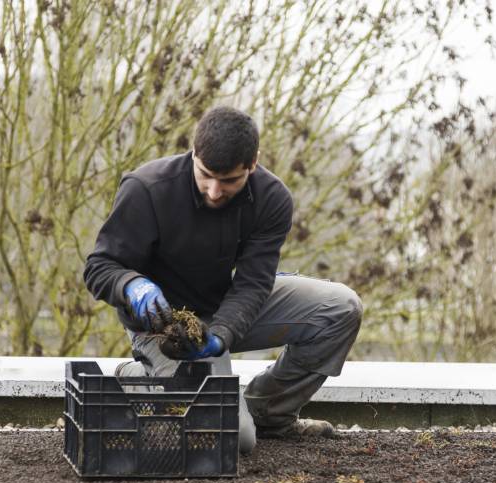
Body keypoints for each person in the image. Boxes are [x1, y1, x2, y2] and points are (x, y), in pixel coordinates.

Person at [83, 106, 362, 454]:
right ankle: (139, 378)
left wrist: (220, 336)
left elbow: (253, 283)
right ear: (193, 153)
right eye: (206, 176)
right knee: (235, 440)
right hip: (165, 327)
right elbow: (99, 266)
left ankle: (268, 413)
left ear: (253, 163)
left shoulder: (271, 199)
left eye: (229, 180)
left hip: (226, 305)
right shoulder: (147, 188)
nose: (215, 191)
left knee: (340, 308)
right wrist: (130, 284)